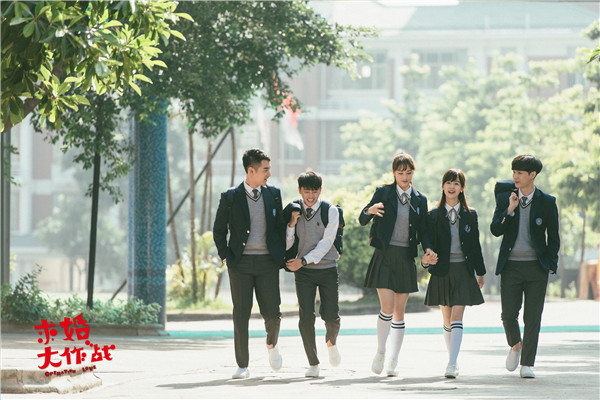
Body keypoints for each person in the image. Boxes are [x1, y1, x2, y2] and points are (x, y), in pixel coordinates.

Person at [359, 151, 435, 377]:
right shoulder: (383, 192)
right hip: (384, 255)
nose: (405, 177)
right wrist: (370, 211)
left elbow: (424, 231)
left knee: (399, 312)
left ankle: (393, 359)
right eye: (400, 173)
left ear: (413, 173)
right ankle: (381, 351)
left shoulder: (420, 199)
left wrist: (428, 249)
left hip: (405, 257)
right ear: (394, 173)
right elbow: (363, 218)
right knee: (387, 307)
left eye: (408, 172)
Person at [213, 148, 286, 379]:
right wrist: (225, 256)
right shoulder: (230, 197)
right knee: (241, 315)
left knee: (273, 314)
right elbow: (218, 230)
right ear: (251, 170)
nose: (269, 174)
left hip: (267, 263)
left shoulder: (274, 194)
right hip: (240, 264)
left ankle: (272, 344)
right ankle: (242, 365)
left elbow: (280, 227)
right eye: (265, 169)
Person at [490, 154, 560, 379]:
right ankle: (515, 345)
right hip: (511, 266)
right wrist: (509, 210)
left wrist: (550, 264)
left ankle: (527, 364)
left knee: (533, 317)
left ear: (532, 175)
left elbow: (554, 238)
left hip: (536, 268)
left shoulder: (547, 202)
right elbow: (495, 229)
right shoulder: (505, 197)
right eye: (513, 172)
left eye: (520, 173)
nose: (515, 177)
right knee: (508, 314)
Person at [421, 169, 486, 379]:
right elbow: (427, 239)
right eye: (449, 183)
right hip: (442, 270)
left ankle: (451, 363)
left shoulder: (470, 214)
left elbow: (475, 244)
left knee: (457, 316)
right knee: (447, 319)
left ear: (462, 188)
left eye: (456, 183)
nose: (452, 187)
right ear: (442, 186)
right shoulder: (433, 215)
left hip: (463, 270)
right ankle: (453, 359)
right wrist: (427, 254)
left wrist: (480, 272)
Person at [284, 170, 342, 378]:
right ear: (299, 190)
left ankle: (331, 341)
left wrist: (304, 260)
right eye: (307, 191)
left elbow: (326, 243)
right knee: (306, 317)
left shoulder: (330, 211)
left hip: (327, 269)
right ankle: (313, 363)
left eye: (315, 191)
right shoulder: (293, 210)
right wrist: (291, 225)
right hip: (304, 273)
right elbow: (287, 245)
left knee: (331, 316)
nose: (311, 196)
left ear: (320, 190)